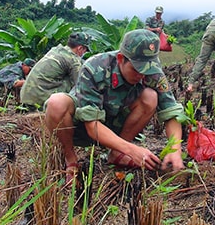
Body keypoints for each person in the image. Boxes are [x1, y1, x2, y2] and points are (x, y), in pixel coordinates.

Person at [44, 29, 185, 184]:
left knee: (150, 97)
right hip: (82, 125)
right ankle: (70, 160)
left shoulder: (153, 71)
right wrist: (132, 150)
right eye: (137, 69)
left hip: (116, 125)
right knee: (56, 103)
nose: (142, 75)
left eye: (147, 70)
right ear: (120, 59)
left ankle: (117, 153)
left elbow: (171, 112)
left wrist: (175, 149)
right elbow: (92, 125)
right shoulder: (95, 67)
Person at [19, 32, 91, 111]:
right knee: (77, 82)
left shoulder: (56, 50)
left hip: (25, 97)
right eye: (85, 50)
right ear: (80, 48)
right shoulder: (73, 61)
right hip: (39, 102)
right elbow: (80, 86)